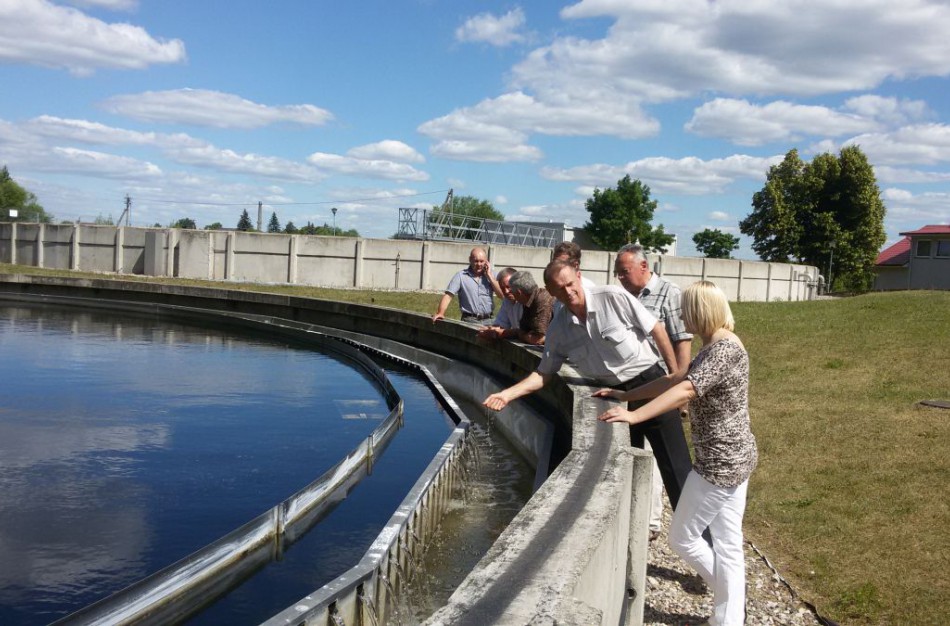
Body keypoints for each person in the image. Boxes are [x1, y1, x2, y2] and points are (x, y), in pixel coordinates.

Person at [594, 280, 757, 626]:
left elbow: (685, 389)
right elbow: (675, 377)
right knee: (727, 542)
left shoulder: (723, 351)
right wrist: (626, 396)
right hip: (734, 458)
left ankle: (730, 602)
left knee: (682, 538)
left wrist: (635, 415)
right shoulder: (718, 345)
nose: (680, 316)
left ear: (700, 310)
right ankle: (729, 614)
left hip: (720, 465)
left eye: (686, 310)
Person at [483, 260, 691, 512]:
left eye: (570, 284)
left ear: (579, 277)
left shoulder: (612, 297)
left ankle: (698, 537)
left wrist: (673, 377)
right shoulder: (559, 329)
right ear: (550, 291)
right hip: (613, 398)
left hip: (649, 383)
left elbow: (655, 328)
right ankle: (637, 528)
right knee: (624, 472)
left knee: (676, 466)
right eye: (559, 289)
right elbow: (544, 373)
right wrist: (507, 395)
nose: (568, 292)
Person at [615, 243, 694, 539]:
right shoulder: (623, 296)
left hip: (662, 386)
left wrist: (681, 389)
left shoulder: (668, 293)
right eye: (618, 274)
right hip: (633, 386)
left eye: (625, 272)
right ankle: (639, 523)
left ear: (644, 266)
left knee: (670, 463)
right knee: (637, 456)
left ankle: (683, 531)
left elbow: (682, 342)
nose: (621, 278)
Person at [432, 247, 498, 324]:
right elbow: (448, 296)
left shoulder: (492, 275)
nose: (479, 264)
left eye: (481, 261)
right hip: (469, 320)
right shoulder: (460, 276)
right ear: (470, 260)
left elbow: (501, 295)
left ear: (486, 261)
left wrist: (490, 276)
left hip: (490, 321)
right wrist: (440, 313)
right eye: (476, 261)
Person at [501, 270, 554, 345]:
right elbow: (523, 329)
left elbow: (538, 339)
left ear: (519, 292)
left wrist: (520, 334)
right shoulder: (527, 301)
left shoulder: (542, 300)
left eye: (512, 292)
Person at [477, 267, 523, 341]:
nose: (506, 291)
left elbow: (526, 332)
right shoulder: (507, 301)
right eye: (502, 288)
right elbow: (501, 324)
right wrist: (490, 330)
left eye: (508, 287)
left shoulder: (526, 301)